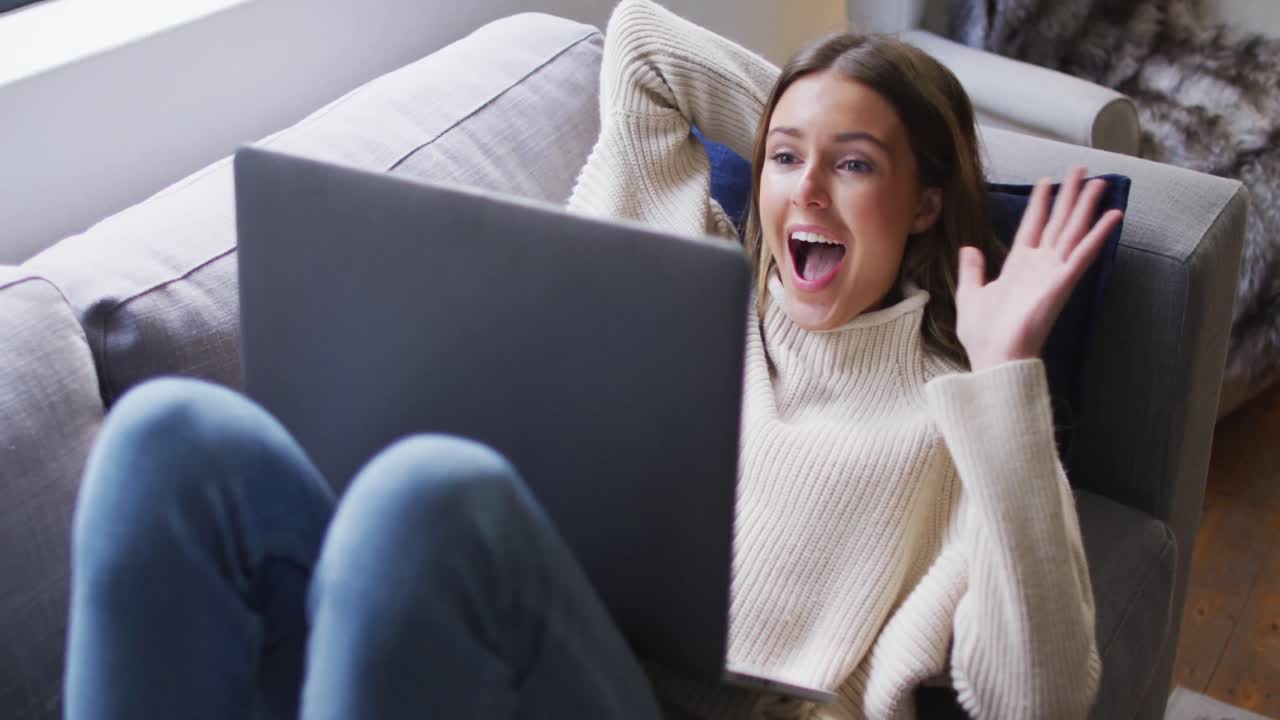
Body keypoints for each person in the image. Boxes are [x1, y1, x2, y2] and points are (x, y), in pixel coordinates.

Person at [63, 0, 1121, 718]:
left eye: (854, 169)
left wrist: (1004, 379)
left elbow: (1039, 695)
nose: (802, 192)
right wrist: (820, 103)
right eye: (783, 159)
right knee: (173, 434)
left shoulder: (961, 408)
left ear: (926, 199)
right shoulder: (680, 268)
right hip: (486, 632)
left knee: (431, 495)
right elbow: (643, 46)